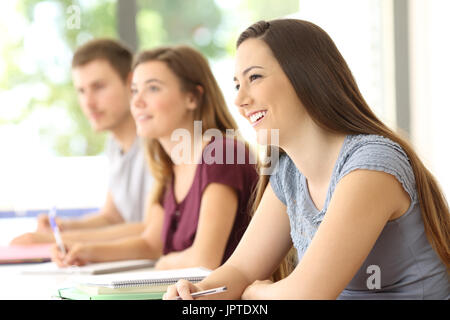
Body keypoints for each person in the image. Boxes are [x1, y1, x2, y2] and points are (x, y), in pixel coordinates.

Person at [164, 19, 450, 300]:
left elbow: (307, 294)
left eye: (254, 78)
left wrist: (256, 292)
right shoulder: (288, 173)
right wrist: (198, 293)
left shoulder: (371, 164)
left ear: (306, 76)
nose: (239, 101)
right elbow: (240, 269)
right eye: (237, 84)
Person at [51, 45, 259, 270]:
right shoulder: (170, 168)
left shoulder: (221, 155)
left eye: (152, 88)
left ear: (192, 97)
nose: (137, 101)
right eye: (134, 90)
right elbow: (151, 243)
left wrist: (163, 263)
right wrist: (85, 251)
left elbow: (203, 261)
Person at [11, 39, 153, 245]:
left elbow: (151, 228)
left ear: (131, 84)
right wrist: (64, 226)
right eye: (81, 91)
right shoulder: (114, 145)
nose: (88, 102)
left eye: (99, 87)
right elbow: (113, 217)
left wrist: (54, 240)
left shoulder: (156, 142)